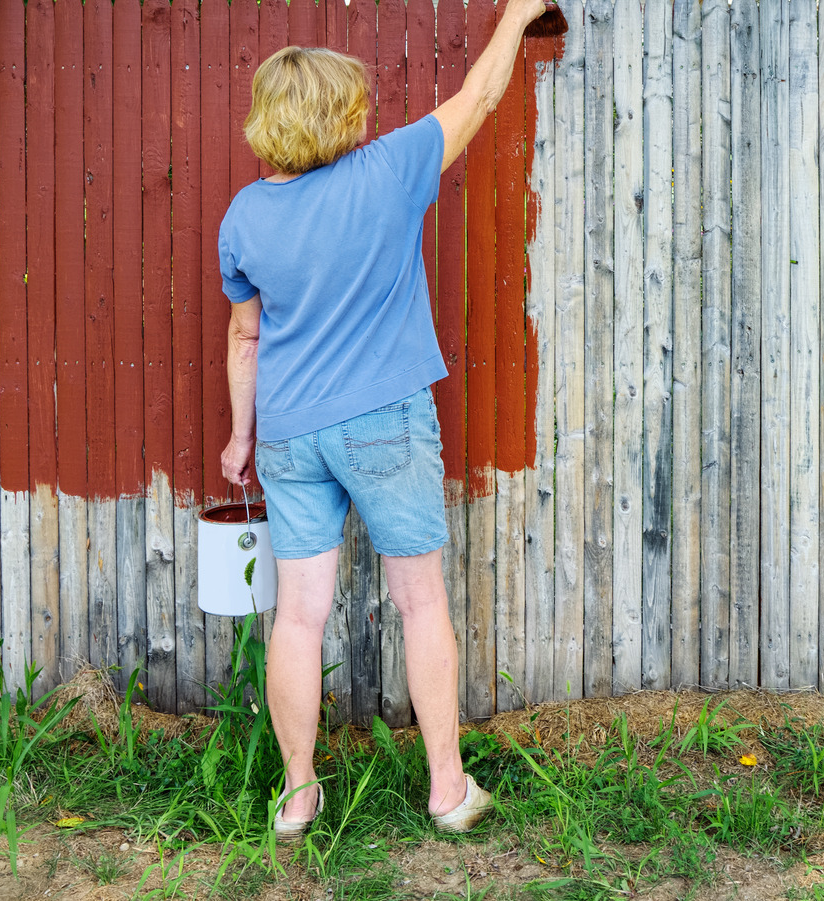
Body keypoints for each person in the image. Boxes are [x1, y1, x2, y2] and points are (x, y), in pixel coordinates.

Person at [217, 0, 547, 840]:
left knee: (297, 615)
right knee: (419, 600)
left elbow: (245, 333)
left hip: (290, 431)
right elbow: (478, 96)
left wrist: (240, 436)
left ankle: (297, 796)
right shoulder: (388, 170)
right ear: (341, 116)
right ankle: (445, 788)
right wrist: (516, 14)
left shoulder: (243, 217)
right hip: (384, 422)